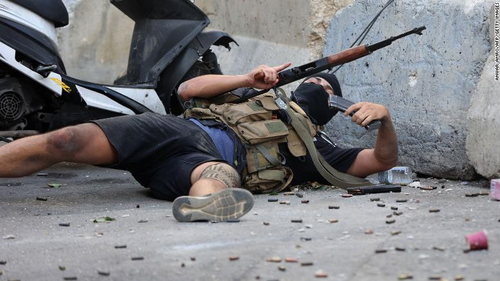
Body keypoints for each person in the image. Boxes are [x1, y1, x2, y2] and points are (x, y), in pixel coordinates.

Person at [0, 63, 398, 222]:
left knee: (220, 173)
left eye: (324, 87)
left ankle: (203, 208)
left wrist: (385, 120)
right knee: (69, 140)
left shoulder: (320, 147)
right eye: (312, 79)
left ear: (331, 106)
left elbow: (380, 161)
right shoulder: (254, 96)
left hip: (193, 169)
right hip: (176, 131)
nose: (315, 84)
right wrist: (246, 80)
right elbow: (188, 89)